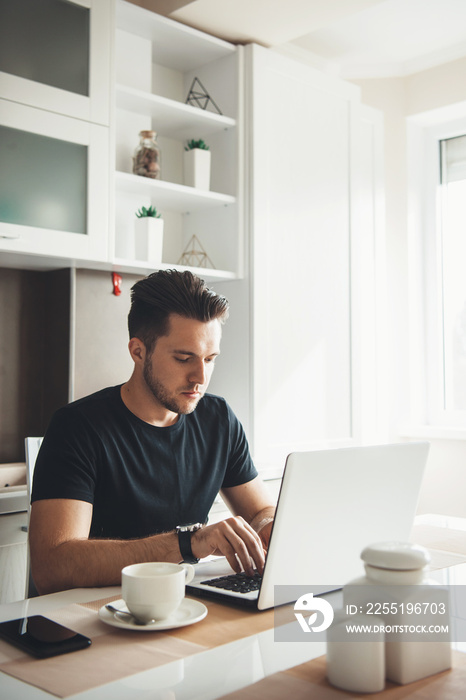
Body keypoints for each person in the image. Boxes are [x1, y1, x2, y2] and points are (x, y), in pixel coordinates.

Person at [29, 270, 275, 595]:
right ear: (138, 351)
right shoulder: (77, 428)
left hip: (180, 606)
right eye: (184, 358)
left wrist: (268, 529)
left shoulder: (219, 420)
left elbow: (260, 512)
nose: (200, 376)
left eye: (210, 359)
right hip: (91, 618)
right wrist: (189, 543)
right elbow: (52, 565)